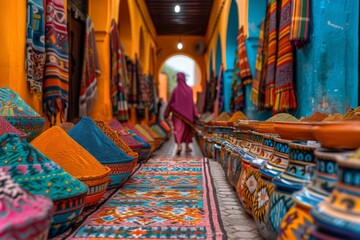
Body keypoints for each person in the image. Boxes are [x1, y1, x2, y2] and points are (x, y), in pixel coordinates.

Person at [164, 72, 200, 155]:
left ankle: (179, 146)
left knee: (178, 130)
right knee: (187, 131)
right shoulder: (190, 90)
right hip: (188, 116)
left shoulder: (175, 90)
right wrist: (196, 113)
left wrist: (167, 113)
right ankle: (187, 147)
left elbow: (171, 102)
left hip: (177, 115)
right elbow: (192, 103)